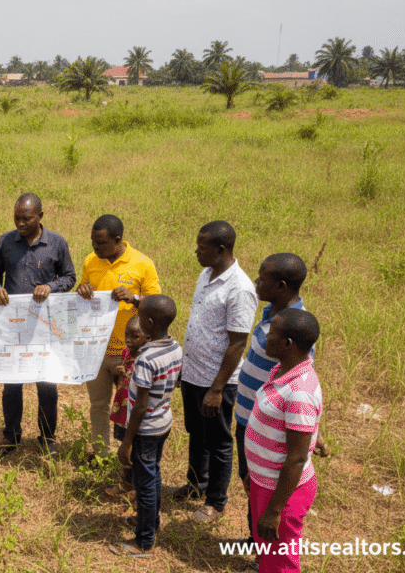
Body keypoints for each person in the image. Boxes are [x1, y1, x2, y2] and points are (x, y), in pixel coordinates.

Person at [236, 253, 328, 552]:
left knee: (266, 484)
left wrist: (314, 431)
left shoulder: (294, 328)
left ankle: (262, 540)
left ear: (281, 285)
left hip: (271, 426)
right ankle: (257, 540)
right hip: (251, 416)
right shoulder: (271, 314)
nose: (256, 282)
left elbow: (303, 394)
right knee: (252, 479)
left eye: (262, 279)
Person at [171, 220, 258, 524]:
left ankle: (216, 501)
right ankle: (196, 484)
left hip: (217, 380)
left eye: (202, 247)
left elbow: (237, 343)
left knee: (219, 440)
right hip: (194, 372)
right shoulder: (206, 275)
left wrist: (217, 388)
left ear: (220, 249)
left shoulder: (240, 289)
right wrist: (185, 367)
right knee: (196, 433)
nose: (196, 252)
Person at [0, 192, 76, 456]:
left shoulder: (56, 243)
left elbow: (69, 277)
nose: (20, 223)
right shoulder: (5, 242)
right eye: (16, 218)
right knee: (12, 382)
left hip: (45, 326)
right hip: (13, 325)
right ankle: (11, 436)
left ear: (40, 216)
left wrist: (51, 286)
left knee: (46, 384)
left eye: (26, 218)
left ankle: (47, 437)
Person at [75, 214, 161, 457]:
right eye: (93, 242)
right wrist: (81, 290)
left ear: (118, 240)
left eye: (100, 243)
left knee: (130, 408)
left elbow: (156, 305)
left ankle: (130, 458)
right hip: (97, 350)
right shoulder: (91, 261)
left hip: (130, 353)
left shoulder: (142, 264)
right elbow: (80, 298)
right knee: (99, 406)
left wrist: (134, 298)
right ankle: (101, 455)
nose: (95, 247)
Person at [246, 309, 323, 573]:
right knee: (267, 553)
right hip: (266, 482)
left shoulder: (299, 392)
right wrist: (255, 474)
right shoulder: (282, 370)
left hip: (282, 494)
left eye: (272, 333)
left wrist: (274, 510)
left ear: (287, 344)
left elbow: (297, 457)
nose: (266, 336)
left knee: (281, 564)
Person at [112, 295, 183, 559]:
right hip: (163, 421)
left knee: (144, 483)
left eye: (141, 319)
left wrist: (127, 442)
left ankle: (143, 541)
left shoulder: (145, 359)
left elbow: (140, 407)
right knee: (153, 475)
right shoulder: (175, 347)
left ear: (149, 323)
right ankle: (150, 524)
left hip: (145, 430)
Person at [106, 315, 150, 499]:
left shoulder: (146, 360)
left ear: (148, 338)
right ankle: (127, 480)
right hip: (122, 407)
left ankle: (137, 486)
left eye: (135, 336)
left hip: (135, 412)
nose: (129, 340)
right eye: (126, 335)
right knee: (123, 444)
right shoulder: (126, 352)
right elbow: (123, 379)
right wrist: (120, 372)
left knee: (134, 449)